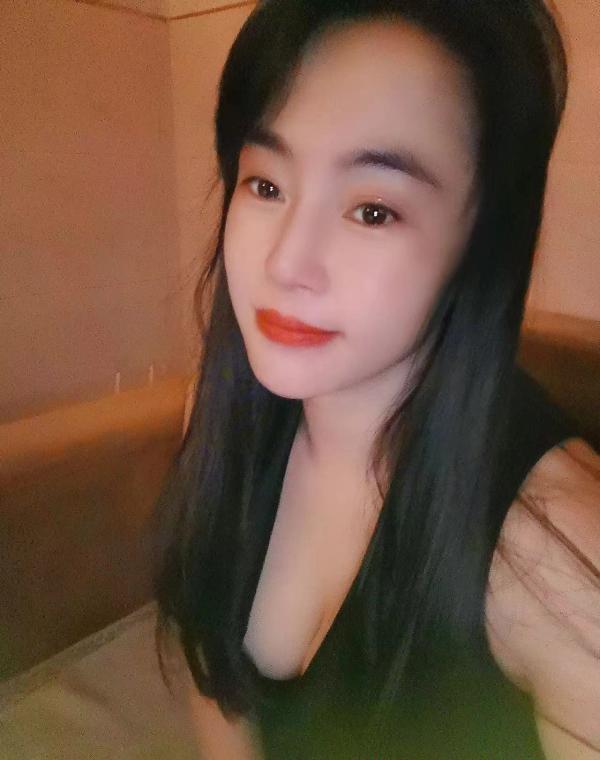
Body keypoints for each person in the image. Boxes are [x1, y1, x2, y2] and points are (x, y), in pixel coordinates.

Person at [151, 1, 600, 757]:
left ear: (479, 240)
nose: (286, 264)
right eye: (265, 186)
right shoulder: (221, 413)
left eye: (372, 211)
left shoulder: (554, 559)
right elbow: (216, 688)